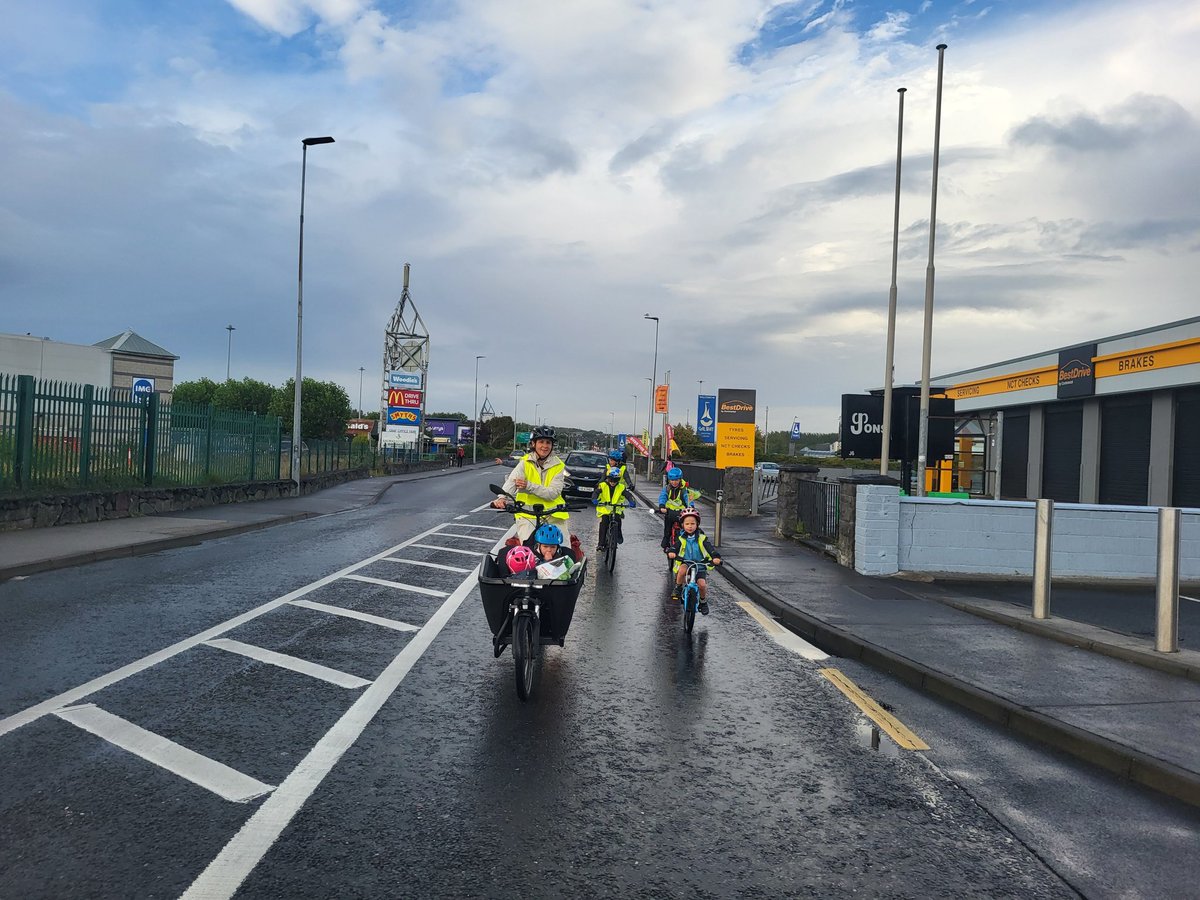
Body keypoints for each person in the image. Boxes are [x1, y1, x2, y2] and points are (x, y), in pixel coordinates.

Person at [493, 425, 571, 543]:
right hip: (527, 515)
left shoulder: (559, 466)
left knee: (564, 551)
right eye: (541, 442)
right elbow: (512, 480)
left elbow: (553, 493)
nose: (544, 446)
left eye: (548, 442)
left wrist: (528, 486)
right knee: (527, 551)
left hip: (554, 515)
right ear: (534, 444)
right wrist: (502, 497)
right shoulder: (525, 462)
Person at [666, 508, 721, 614]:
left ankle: (703, 602)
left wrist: (715, 557)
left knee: (702, 584)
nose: (690, 526)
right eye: (687, 524)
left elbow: (710, 548)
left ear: (697, 524)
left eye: (692, 523)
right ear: (682, 525)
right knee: (681, 570)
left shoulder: (702, 538)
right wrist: (672, 552)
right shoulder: (681, 538)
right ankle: (678, 588)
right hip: (686, 562)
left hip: (700, 564)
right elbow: (675, 546)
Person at [657, 466, 700, 550]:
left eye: (676, 480)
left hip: (682, 511)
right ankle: (666, 539)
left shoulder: (684, 489)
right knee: (668, 525)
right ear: (669, 480)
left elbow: (688, 498)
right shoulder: (667, 488)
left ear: (680, 479)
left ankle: (693, 542)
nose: (674, 482)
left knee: (688, 525)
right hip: (670, 511)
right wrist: (661, 506)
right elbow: (663, 497)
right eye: (672, 480)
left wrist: (691, 506)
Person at [593, 468, 635, 550]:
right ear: (608, 478)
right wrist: (594, 499)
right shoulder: (602, 485)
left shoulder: (621, 487)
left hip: (616, 508)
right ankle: (601, 544)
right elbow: (596, 493)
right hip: (604, 508)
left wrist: (632, 501)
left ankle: (618, 535)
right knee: (604, 522)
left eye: (615, 480)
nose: (612, 482)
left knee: (617, 520)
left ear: (618, 480)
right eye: (611, 480)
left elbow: (628, 495)